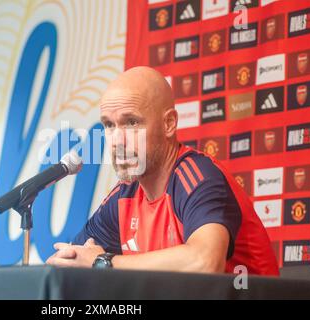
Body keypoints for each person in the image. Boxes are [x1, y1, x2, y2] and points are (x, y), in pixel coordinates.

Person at [46, 66, 279, 275]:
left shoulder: (198, 177)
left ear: (169, 124)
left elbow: (205, 262)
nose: (117, 140)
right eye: (109, 125)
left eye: (132, 123)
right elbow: (71, 261)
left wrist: (103, 262)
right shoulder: (124, 196)